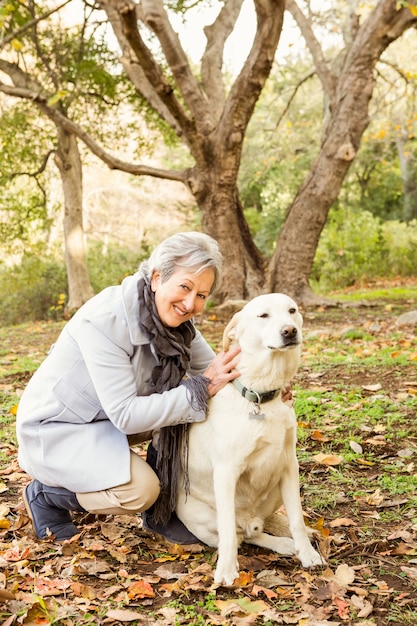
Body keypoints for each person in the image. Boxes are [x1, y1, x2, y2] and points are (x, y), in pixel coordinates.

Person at [16, 231, 241, 544]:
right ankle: (47, 495)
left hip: (103, 418)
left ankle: (168, 511)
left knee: (193, 408)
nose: (191, 303)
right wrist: (201, 388)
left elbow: (216, 369)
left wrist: (260, 383)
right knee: (141, 490)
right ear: (157, 277)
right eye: (185, 287)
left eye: (202, 295)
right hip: (58, 430)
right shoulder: (106, 321)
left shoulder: (174, 326)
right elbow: (127, 415)